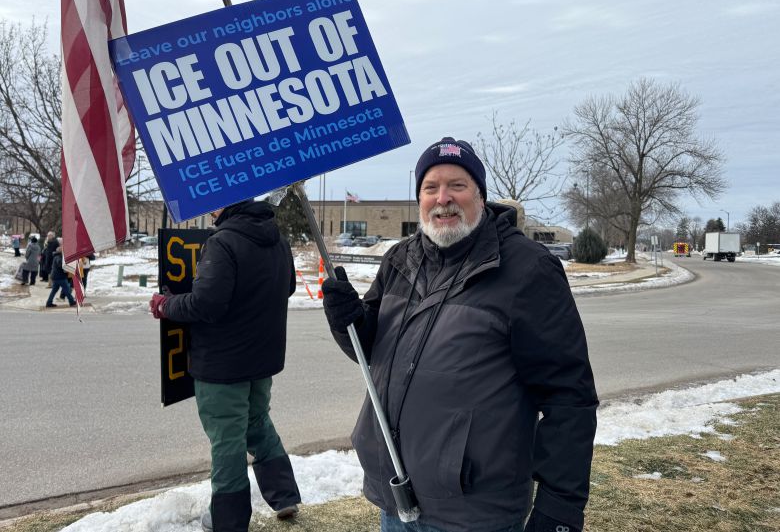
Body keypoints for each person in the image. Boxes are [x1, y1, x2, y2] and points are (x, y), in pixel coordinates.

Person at [322, 138, 599, 532]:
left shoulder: (527, 270)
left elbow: (568, 396)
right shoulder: (400, 259)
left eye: (457, 185)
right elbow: (374, 355)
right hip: (396, 497)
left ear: (480, 196)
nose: (443, 198)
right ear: (419, 199)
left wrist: (560, 509)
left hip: (474, 513)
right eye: (430, 187)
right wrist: (348, 322)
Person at [148, 199, 301, 532]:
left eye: (212, 205)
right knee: (257, 422)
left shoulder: (222, 242)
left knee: (227, 439)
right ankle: (284, 495)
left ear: (225, 205)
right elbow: (287, 287)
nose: (209, 211)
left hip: (222, 363)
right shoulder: (278, 239)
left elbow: (206, 304)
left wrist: (165, 305)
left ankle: (227, 520)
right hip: (262, 357)